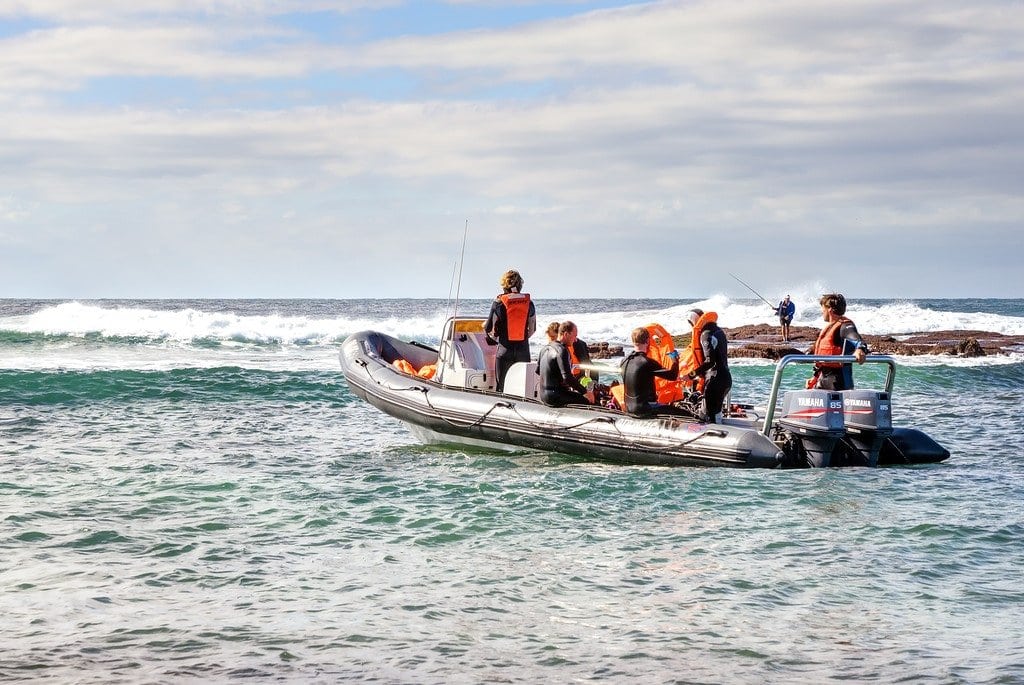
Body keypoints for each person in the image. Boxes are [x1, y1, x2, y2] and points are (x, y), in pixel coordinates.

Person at [485, 269, 536, 393]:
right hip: (523, 351)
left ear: (504, 285)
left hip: (504, 351)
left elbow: (488, 328)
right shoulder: (529, 303)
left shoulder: (498, 303)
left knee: (502, 387)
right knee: (523, 389)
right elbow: (532, 329)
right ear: (520, 285)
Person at [619, 326, 689, 417]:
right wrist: (675, 361)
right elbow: (672, 376)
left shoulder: (624, 361)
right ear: (648, 341)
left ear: (633, 341)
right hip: (646, 407)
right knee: (685, 414)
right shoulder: (647, 362)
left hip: (628, 407)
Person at [807, 292, 869, 391]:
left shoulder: (845, 327)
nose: (822, 312)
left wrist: (860, 349)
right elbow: (820, 357)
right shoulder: (828, 328)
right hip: (823, 380)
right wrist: (814, 378)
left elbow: (858, 340)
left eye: (823, 309)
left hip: (839, 384)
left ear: (830, 309)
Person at [684, 309, 732, 423]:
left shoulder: (706, 334)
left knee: (707, 417)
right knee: (716, 414)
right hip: (725, 379)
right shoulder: (718, 331)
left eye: (691, 324)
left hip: (714, 381)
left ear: (695, 320)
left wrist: (690, 375)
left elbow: (709, 362)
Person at [537, 321, 592, 407]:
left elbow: (538, 371)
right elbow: (567, 378)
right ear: (566, 334)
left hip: (543, 395)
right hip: (555, 396)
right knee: (587, 401)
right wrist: (585, 392)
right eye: (574, 336)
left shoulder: (545, 348)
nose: (575, 340)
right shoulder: (562, 350)